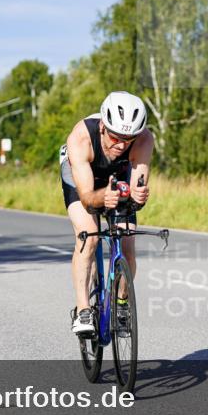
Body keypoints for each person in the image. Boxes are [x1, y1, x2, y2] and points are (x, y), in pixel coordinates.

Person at [60, 91, 153, 335]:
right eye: (116, 137)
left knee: (128, 241)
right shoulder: (81, 139)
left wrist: (138, 197)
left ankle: (122, 304)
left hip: (118, 176)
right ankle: (83, 310)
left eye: (128, 139)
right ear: (103, 126)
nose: (121, 144)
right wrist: (103, 198)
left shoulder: (143, 140)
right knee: (88, 237)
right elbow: (88, 198)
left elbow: (136, 188)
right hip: (82, 179)